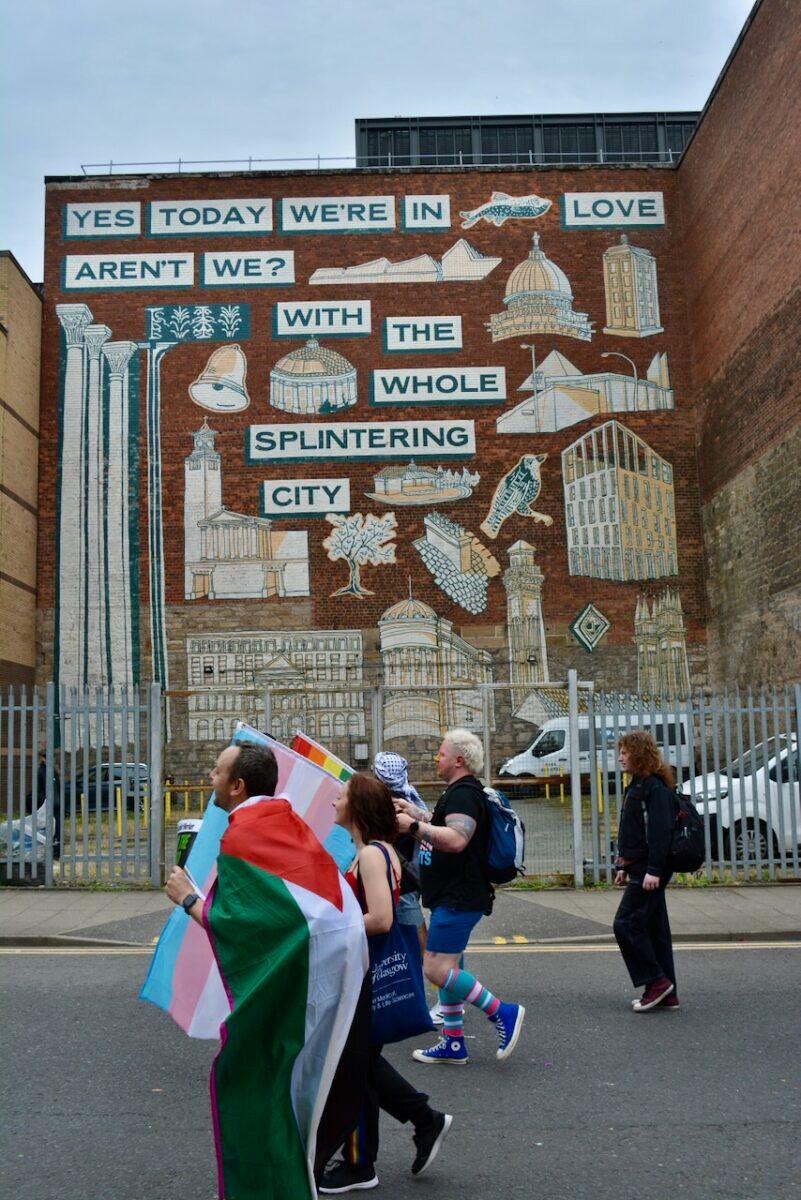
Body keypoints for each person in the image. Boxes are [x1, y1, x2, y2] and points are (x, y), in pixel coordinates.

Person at [165, 742, 367, 1200]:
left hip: (306, 969)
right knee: (299, 1085)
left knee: (256, 1079)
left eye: (216, 771)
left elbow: (241, 926)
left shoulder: (241, 834)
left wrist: (188, 899)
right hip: (337, 959)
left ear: (237, 786)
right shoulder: (281, 817)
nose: (210, 777)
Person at [320, 772, 452, 1194]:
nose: (333, 802)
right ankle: (415, 1126)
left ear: (356, 807)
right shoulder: (371, 851)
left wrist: (329, 931)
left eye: (339, 796)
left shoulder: (375, 855)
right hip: (358, 970)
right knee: (361, 1064)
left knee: (354, 1065)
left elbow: (380, 918)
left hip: (363, 972)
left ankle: (364, 1161)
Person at [395, 729, 525, 1066]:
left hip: (459, 895)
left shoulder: (464, 795)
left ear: (459, 759)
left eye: (441, 753)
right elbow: (446, 825)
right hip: (450, 894)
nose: (435, 758)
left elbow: (456, 839)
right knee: (451, 966)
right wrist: (415, 812)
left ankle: (503, 1013)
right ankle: (453, 1042)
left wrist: (410, 826)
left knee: (436, 968)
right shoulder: (459, 793)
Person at [613, 730, 680, 1012]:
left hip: (651, 871)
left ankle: (656, 982)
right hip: (640, 867)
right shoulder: (638, 785)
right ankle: (669, 994)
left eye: (625, 752)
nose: (620, 757)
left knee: (625, 924)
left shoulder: (654, 787)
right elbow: (634, 831)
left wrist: (653, 870)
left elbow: (660, 833)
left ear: (639, 754)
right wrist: (624, 865)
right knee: (655, 930)